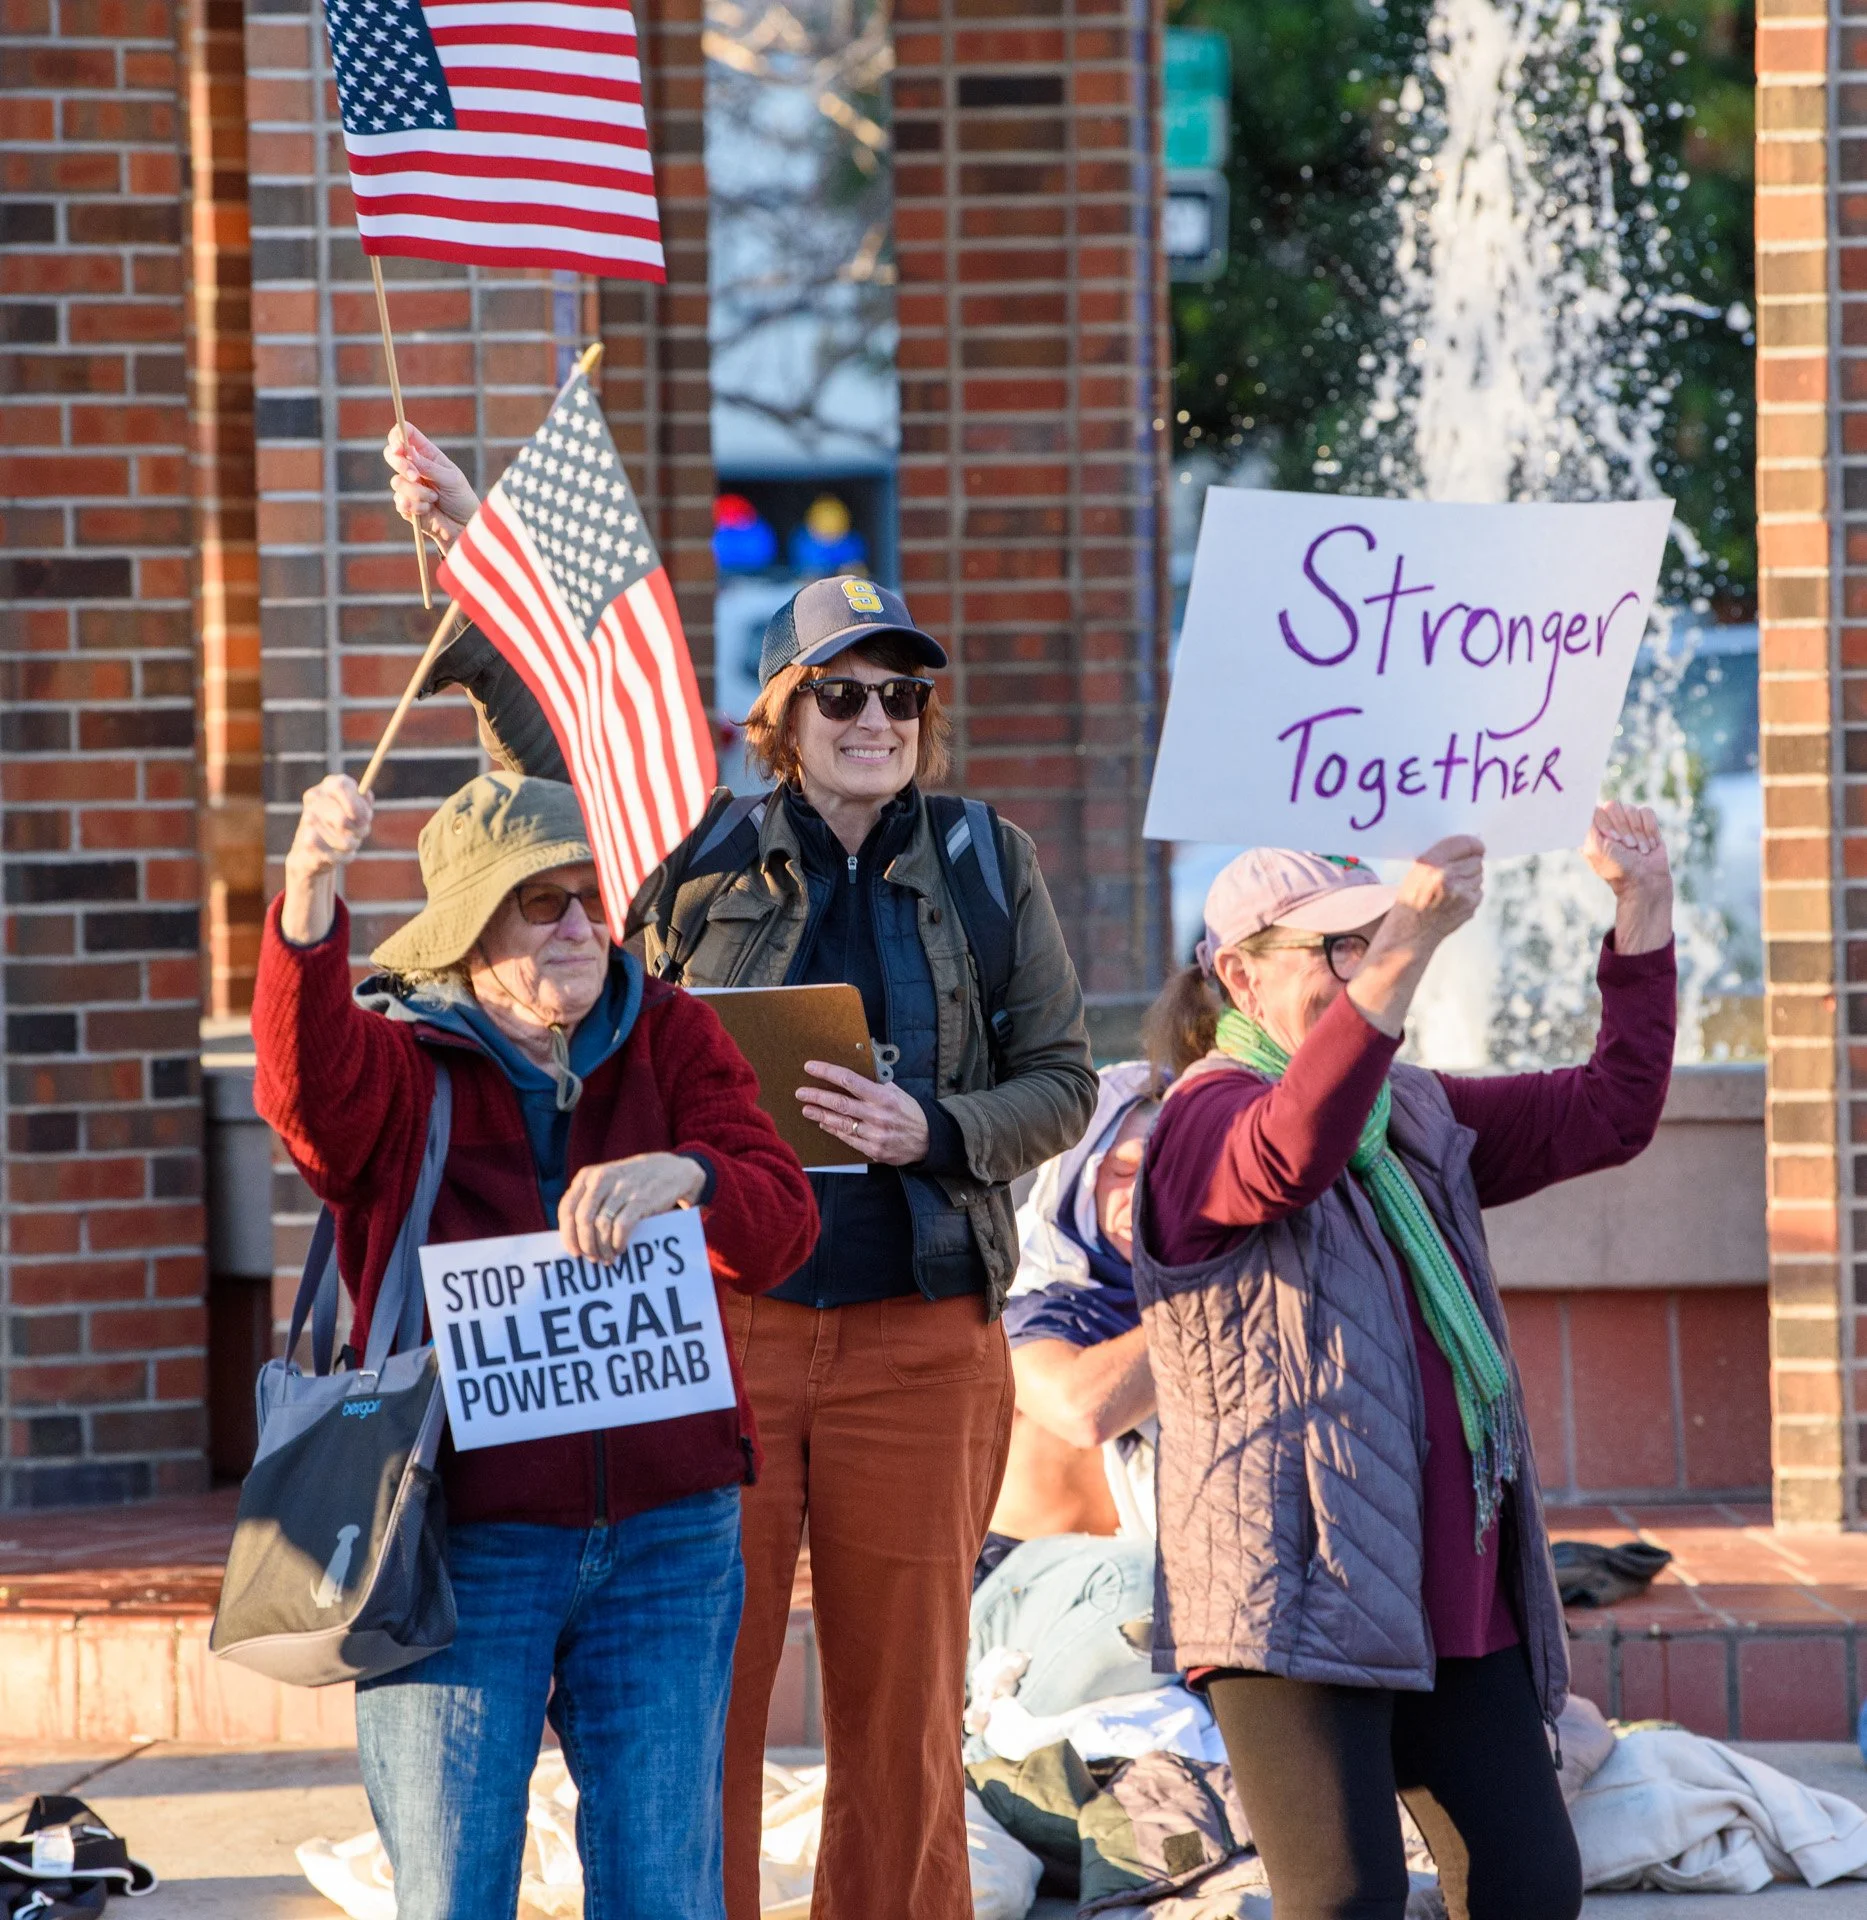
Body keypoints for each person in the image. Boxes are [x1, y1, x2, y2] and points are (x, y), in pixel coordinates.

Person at [383, 415, 1101, 1920]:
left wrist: (939, 1131)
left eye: (900, 695)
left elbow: (1061, 1080)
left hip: (921, 1334)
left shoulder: (985, 859)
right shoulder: (688, 852)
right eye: (839, 692)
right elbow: (557, 749)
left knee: (903, 1717)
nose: (874, 717)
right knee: (686, 1705)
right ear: (782, 713)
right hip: (719, 1330)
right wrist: (468, 550)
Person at [253, 767, 819, 1920]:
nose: (577, 925)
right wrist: (309, 890)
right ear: (469, 929)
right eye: (540, 902)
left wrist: (695, 1173)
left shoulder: (672, 1035)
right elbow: (305, 1096)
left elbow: (784, 1222)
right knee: (454, 1890)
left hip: (671, 1537)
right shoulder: (402, 1062)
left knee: (665, 1892)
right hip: (460, 1544)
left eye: (588, 896)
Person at [1133, 811, 1677, 1920]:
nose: (1362, 967)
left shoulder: (1409, 1112)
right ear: (1236, 975)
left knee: (1528, 1892)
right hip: (1295, 1592)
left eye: (1368, 939)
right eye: (1332, 948)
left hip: (1447, 1586)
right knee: (1341, 1903)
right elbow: (1289, 1151)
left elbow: (1610, 1112)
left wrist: (1643, 910)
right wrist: (1410, 944)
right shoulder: (1197, 1123)